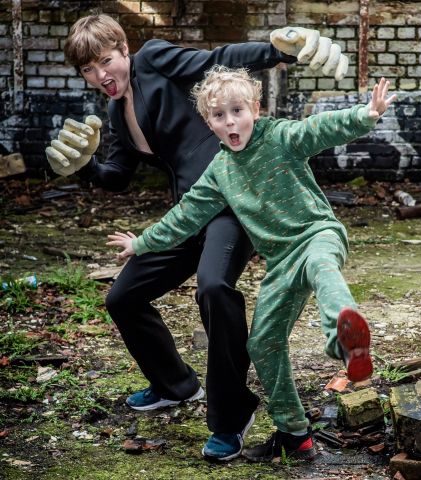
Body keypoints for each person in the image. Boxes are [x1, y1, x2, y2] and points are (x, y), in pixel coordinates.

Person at [44, 12, 350, 462]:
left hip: (232, 204)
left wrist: (277, 50)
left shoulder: (153, 60)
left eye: (106, 61)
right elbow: (116, 176)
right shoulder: (114, 110)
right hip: (190, 212)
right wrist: (84, 165)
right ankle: (176, 385)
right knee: (122, 297)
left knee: (213, 287)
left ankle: (232, 415)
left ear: (125, 50)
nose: (100, 76)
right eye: (88, 70)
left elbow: (217, 59)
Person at [107, 66, 397, 462]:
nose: (230, 122)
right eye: (219, 116)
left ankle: (346, 342)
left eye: (237, 110)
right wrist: (141, 242)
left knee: (323, 269)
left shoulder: (279, 136)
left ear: (255, 110)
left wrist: (365, 115)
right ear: (208, 123)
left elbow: (318, 129)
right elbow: (186, 216)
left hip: (316, 236)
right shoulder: (220, 173)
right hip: (280, 261)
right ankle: (296, 435)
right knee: (262, 342)